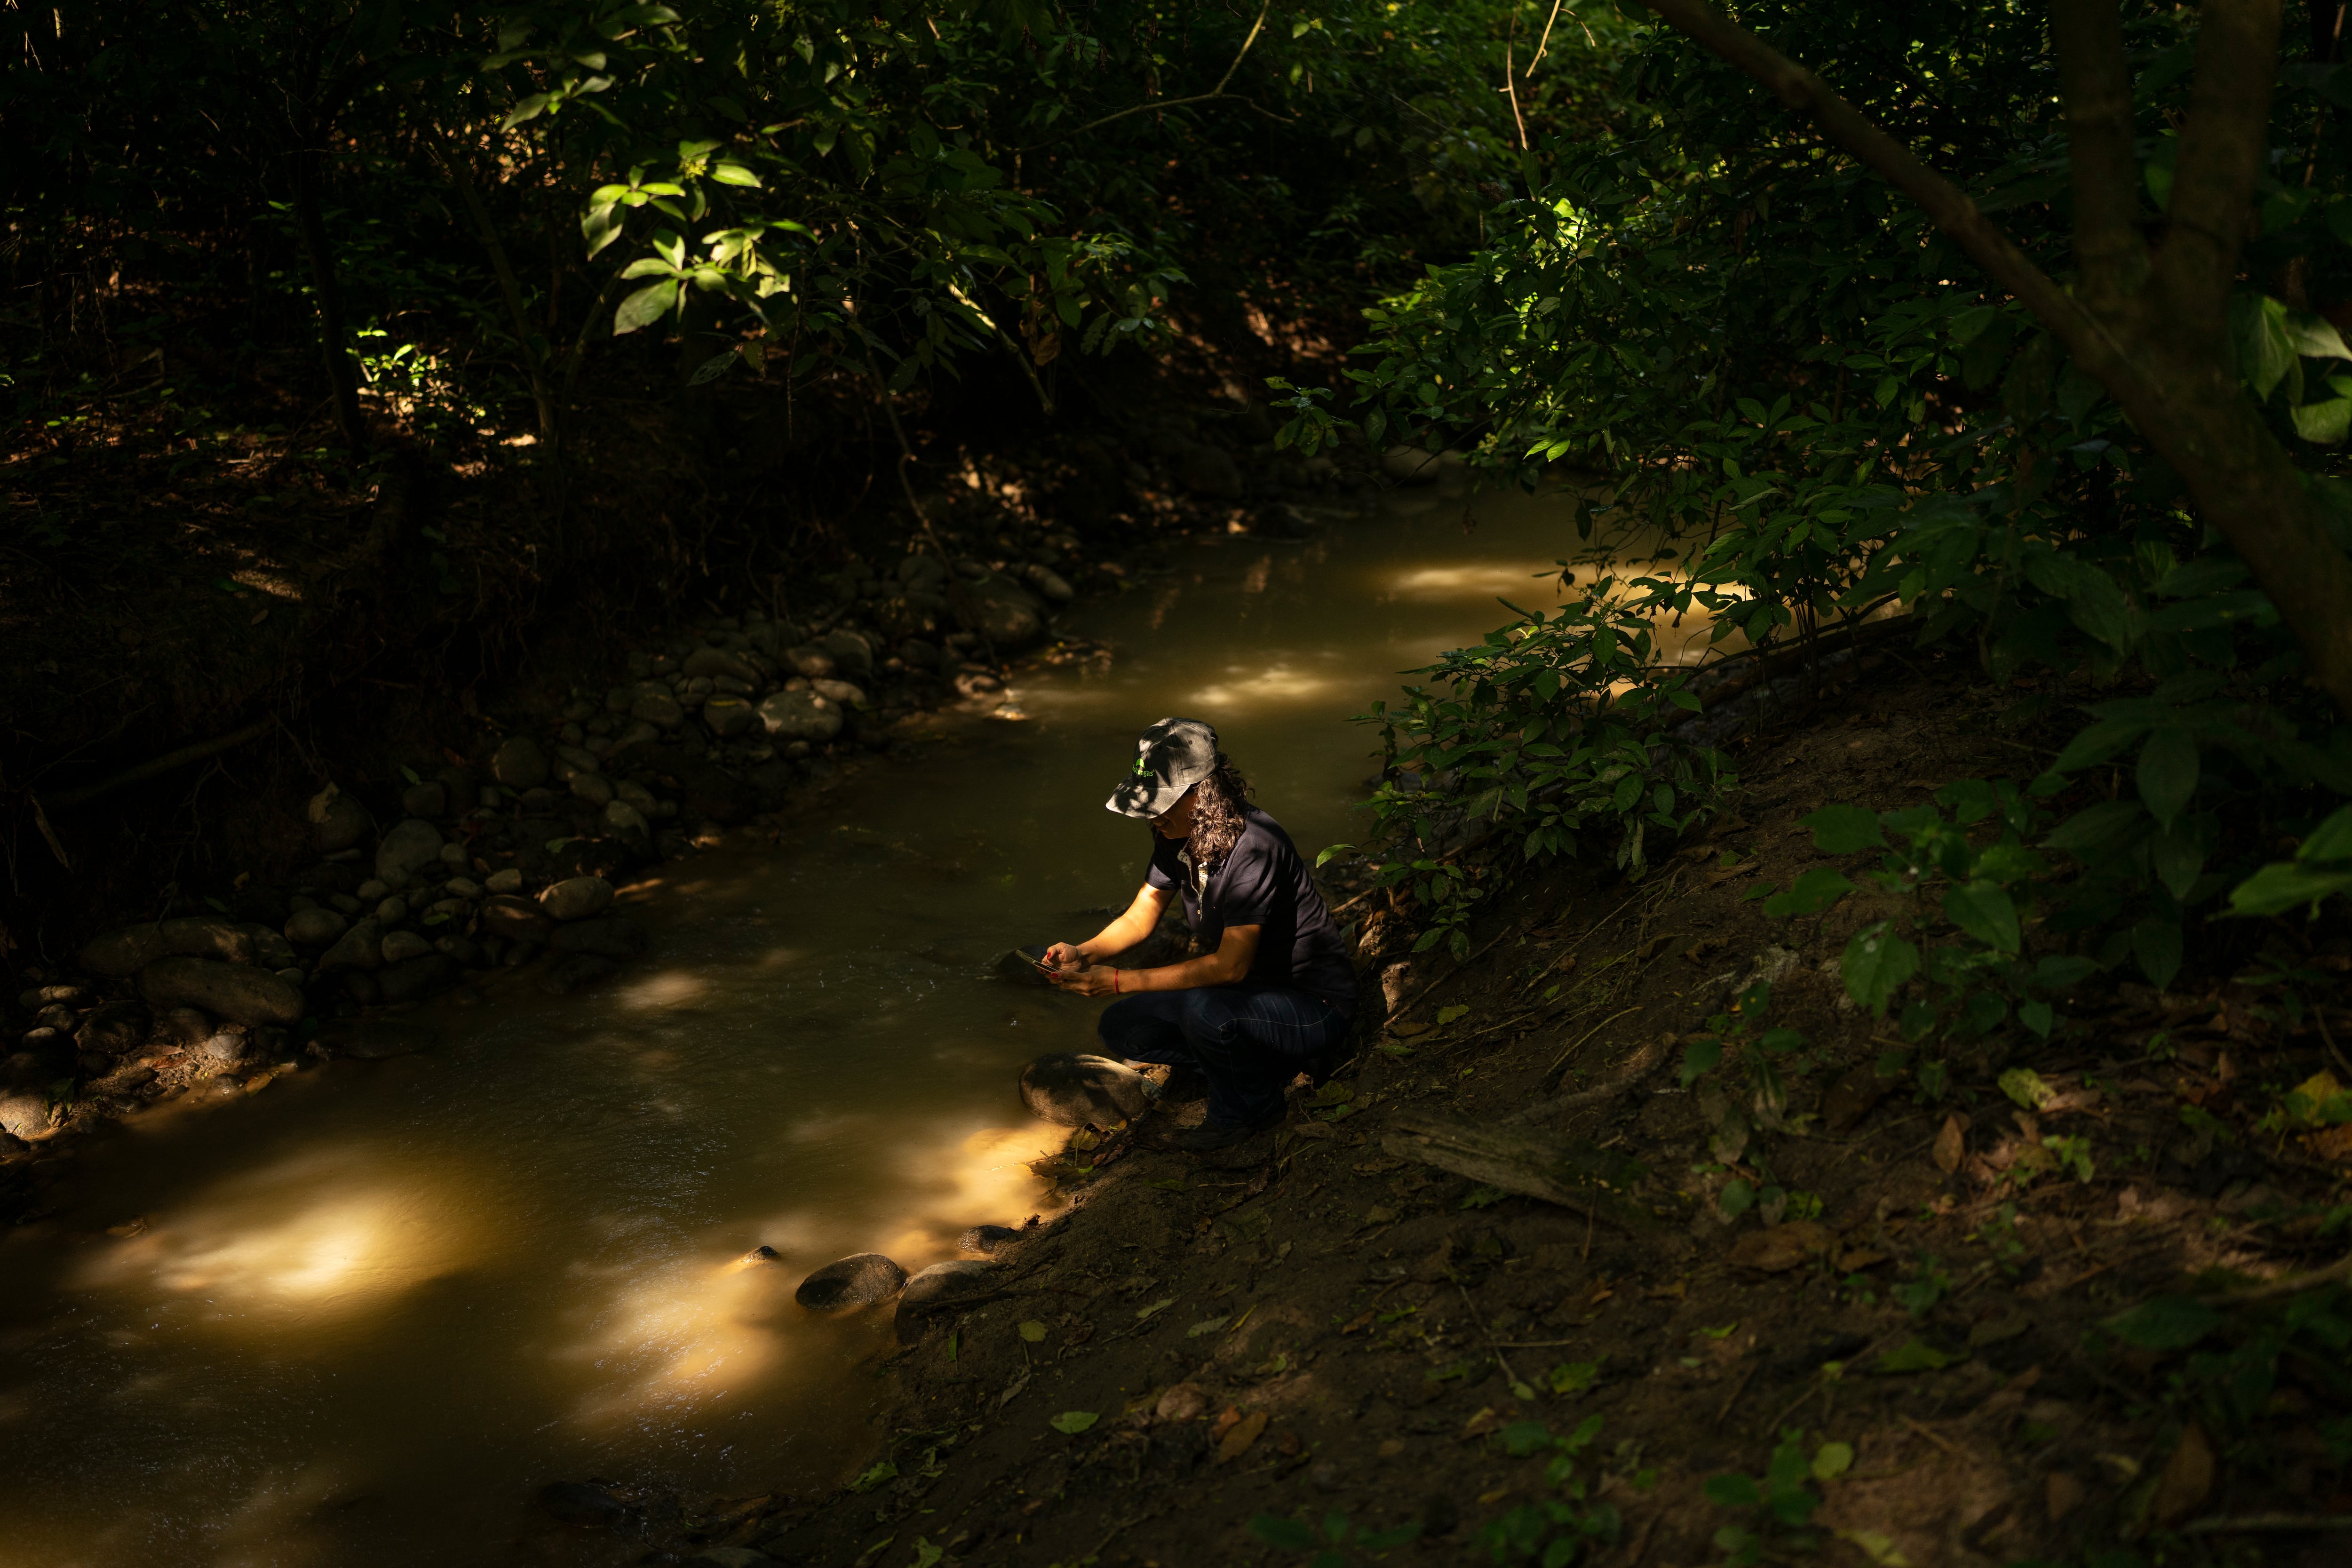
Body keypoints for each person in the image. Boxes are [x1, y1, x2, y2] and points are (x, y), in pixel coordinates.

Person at [1043, 717, 1356, 1151]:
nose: (1151, 818)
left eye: (1159, 805)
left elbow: (1230, 967)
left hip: (1311, 1005)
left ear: (1201, 794)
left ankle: (1250, 1109)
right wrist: (1084, 953)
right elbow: (1140, 917)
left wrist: (1120, 980)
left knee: (1204, 1009)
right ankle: (1262, 1065)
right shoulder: (1175, 835)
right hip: (1244, 999)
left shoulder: (1254, 847)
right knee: (1123, 1027)